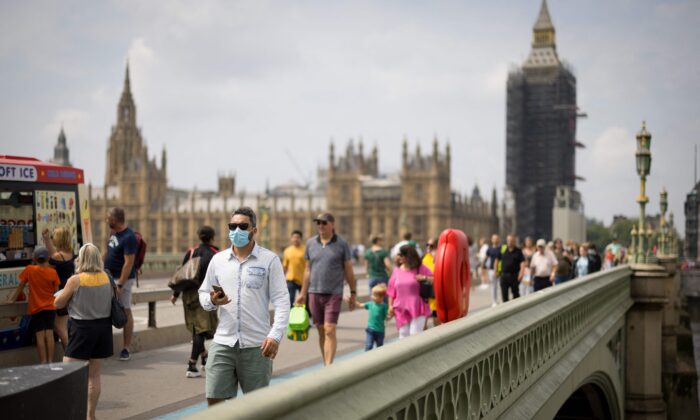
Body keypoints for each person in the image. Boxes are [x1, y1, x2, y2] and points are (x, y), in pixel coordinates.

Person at [198, 207, 289, 406]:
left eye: (242, 226)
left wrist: (275, 335)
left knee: (256, 406)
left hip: (256, 345)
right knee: (214, 398)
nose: (236, 230)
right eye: (233, 226)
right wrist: (213, 300)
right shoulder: (218, 260)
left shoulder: (269, 260)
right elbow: (203, 293)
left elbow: (282, 301)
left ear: (254, 230)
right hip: (223, 341)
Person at [54, 243, 113, 420]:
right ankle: (90, 415)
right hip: (103, 329)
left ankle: (70, 413)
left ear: (81, 258)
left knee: (68, 371)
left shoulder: (76, 279)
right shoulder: (106, 277)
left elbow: (58, 304)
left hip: (82, 329)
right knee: (94, 376)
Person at [295, 212, 357, 366]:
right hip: (314, 292)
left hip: (334, 293)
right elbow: (308, 270)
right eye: (318, 223)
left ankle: (329, 367)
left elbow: (348, 270)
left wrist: (353, 292)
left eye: (324, 223)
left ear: (332, 224)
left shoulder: (342, 244)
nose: (321, 226)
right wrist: (302, 293)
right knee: (321, 330)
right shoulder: (310, 243)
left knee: (330, 329)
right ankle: (326, 363)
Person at [170, 226, 219, 378]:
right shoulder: (215, 254)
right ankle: (192, 365)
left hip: (188, 295)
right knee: (202, 330)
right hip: (205, 295)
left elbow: (182, 274)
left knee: (195, 328)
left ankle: (204, 357)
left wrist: (175, 294)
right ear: (212, 237)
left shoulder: (191, 251)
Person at [7, 246, 60, 364]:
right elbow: (56, 292)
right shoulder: (53, 272)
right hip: (51, 308)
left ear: (35, 258)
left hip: (36, 308)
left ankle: (43, 362)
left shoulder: (29, 270)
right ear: (48, 258)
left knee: (40, 336)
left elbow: (20, 287)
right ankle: (50, 361)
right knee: (49, 334)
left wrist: (12, 300)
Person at [103, 207, 137, 361]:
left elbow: (129, 262)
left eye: (107, 218)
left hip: (122, 279)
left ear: (114, 220)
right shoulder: (113, 233)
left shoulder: (129, 236)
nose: (105, 220)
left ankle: (126, 348)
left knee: (125, 311)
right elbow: (107, 252)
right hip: (108, 276)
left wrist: (121, 284)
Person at [42, 226, 76, 350]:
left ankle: (70, 355)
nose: (53, 239)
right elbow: (54, 254)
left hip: (60, 294)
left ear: (59, 239)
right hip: (69, 293)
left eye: (54, 237)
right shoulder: (70, 254)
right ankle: (69, 354)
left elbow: (50, 258)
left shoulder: (58, 257)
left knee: (59, 327)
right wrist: (47, 239)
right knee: (63, 326)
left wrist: (46, 240)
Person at [388, 245, 432, 338]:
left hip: (418, 307)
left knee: (414, 335)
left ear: (408, 256)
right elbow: (391, 291)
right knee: (403, 335)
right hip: (400, 309)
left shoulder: (420, 268)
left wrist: (424, 277)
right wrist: (390, 306)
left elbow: (435, 279)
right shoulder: (396, 270)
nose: (398, 257)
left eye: (401, 255)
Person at [357, 284, 389, 351]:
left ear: (381, 297)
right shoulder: (370, 304)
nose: (372, 297)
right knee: (369, 345)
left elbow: (387, 317)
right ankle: (366, 358)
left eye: (374, 295)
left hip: (380, 331)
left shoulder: (384, 306)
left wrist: (391, 313)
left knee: (380, 347)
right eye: (372, 295)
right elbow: (360, 305)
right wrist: (353, 302)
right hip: (370, 329)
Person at [495, 234, 526, 303]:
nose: (510, 242)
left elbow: (522, 262)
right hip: (504, 275)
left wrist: (521, 273)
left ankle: (516, 309)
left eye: (512, 241)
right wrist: (496, 271)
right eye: (508, 240)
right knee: (504, 295)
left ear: (514, 241)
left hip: (514, 275)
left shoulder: (518, 251)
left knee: (516, 295)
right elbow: (497, 260)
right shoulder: (502, 249)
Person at [282, 230, 306, 307]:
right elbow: (285, 266)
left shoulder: (305, 250)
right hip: (291, 280)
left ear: (301, 239)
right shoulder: (287, 251)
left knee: (305, 301)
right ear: (291, 238)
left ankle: (306, 317)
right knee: (290, 300)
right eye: (294, 237)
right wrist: (282, 279)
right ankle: (290, 317)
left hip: (303, 281)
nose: (295, 239)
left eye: (298, 237)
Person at [422, 238, 440, 327]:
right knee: (422, 324)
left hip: (435, 294)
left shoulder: (439, 257)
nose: (429, 247)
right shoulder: (424, 258)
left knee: (436, 321)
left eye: (431, 246)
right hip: (425, 294)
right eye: (427, 245)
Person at [483, 234, 501, 307]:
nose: (495, 240)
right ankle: (494, 301)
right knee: (493, 286)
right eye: (494, 238)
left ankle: (501, 300)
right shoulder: (489, 249)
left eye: (497, 238)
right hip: (491, 269)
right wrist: (483, 265)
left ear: (498, 240)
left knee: (500, 285)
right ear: (491, 240)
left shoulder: (501, 248)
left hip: (500, 269)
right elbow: (486, 258)